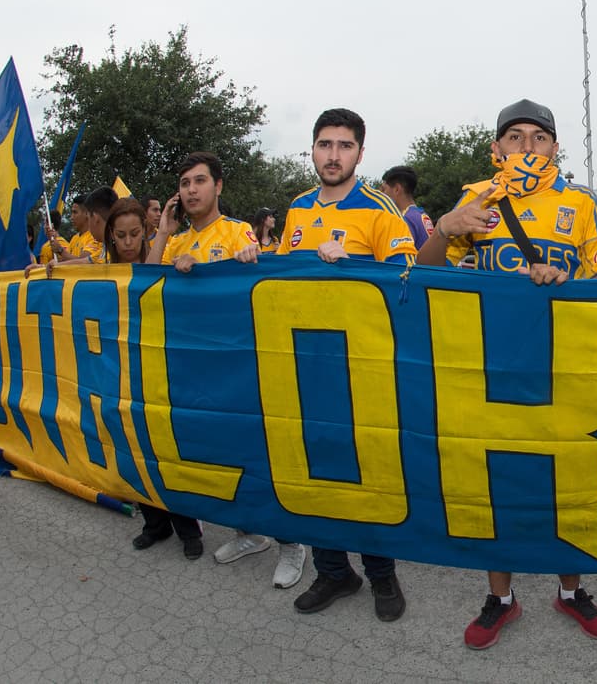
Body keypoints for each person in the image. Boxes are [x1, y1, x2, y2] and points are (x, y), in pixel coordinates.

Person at [417, 98, 597, 650]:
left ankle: (571, 590)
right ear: (496, 147)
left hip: (565, 363)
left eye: (538, 137)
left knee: (571, 480)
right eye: (515, 137)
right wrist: (443, 227)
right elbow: (421, 277)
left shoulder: (581, 202)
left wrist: (568, 282)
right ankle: (501, 599)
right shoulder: (475, 198)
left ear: (555, 147)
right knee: (495, 482)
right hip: (489, 365)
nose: (527, 146)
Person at [273, 109, 416, 620]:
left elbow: (406, 274)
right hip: (303, 366)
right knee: (314, 474)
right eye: (324, 144)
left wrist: (353, 263)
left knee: (366, 475)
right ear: (312, 150)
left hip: (361, 368)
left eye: (344, 145)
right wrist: (253, 258)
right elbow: (281, 278)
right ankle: (334, 572)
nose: (333, 155)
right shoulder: (296, 209)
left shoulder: (378, 208)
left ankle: (382, 576)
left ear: (360, 152)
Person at [139, 153, 259, 559]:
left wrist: (234, 264)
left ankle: (287, 542)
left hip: (235, 366)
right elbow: (145, 286)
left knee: (250, 452)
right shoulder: (175, 241)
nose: (191, 190)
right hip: (191, 367)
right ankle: (247, 531)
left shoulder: (238, 232)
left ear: (218, 186)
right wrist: (161, 234)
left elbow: (253, 288)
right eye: (185, 183)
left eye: (200, 181)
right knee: (214, 452)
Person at [381, 165, 435, 248]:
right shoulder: (421, 215)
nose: (381, 194)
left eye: (383, 189)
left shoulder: (404, 220)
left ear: (397, 189)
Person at [104, 199, 150, 264]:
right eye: (121, 236)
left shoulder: (161, 269)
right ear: (112, 234)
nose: (128, 242)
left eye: (134, 234)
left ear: (143, 230)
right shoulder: (100, 271)